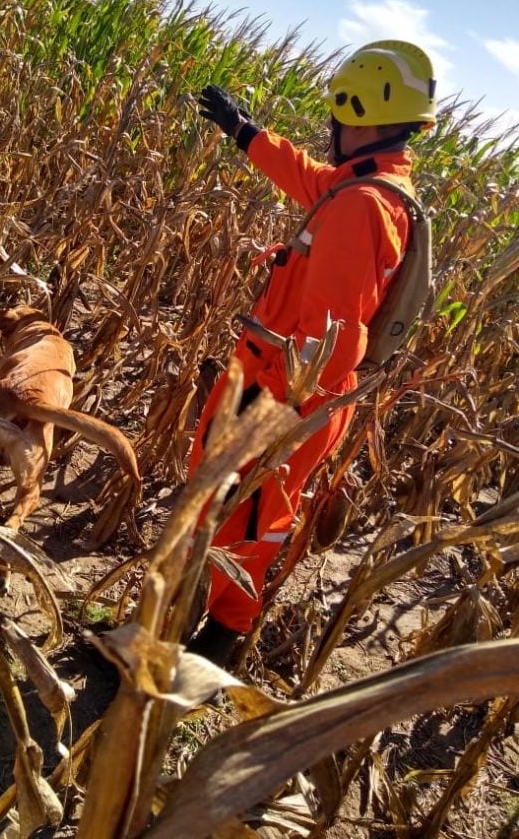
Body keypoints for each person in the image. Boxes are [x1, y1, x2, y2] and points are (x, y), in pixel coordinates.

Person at [187, 40, 437, 666]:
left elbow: (337, 333)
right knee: (236, 510)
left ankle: (214, 642)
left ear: (361, 115)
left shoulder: (361, 207)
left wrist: (286, 415)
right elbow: (307, 177)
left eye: (339, 116)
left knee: (242, 517)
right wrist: (244, 132)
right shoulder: (370, 187)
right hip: (290, 389)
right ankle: (193, 619)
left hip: (286, 393)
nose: (330, 129)